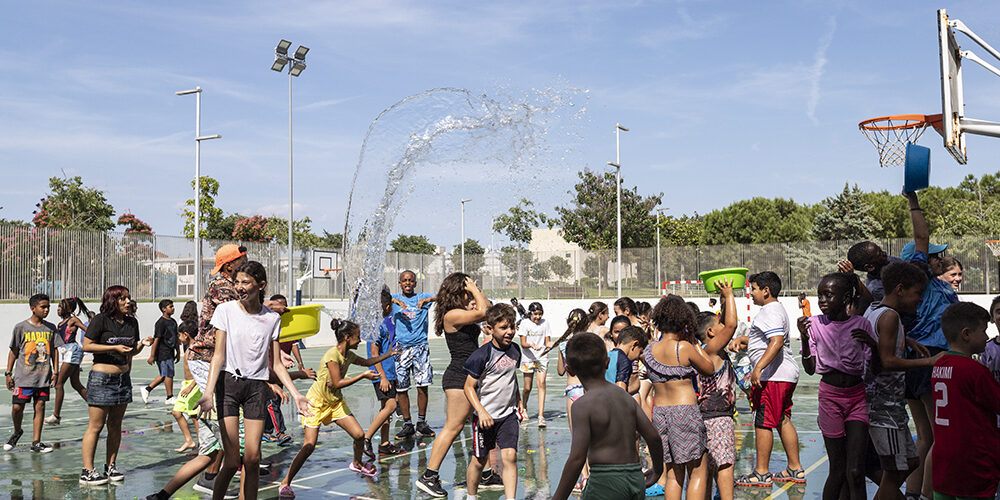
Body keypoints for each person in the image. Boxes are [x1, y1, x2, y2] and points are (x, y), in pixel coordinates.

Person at [195, 261, 310, 500]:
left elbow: (276, 364)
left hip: (256, 388)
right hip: (228, 385)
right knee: (232, 460)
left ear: (261, 285)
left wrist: (296, 394)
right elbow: (218, 355)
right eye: (236, 282)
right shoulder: (225, 311)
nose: (239, 287)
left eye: (245, 282)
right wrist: (207, 393)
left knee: (253, 457)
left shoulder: (272, 319)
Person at [277, 318, 397, 498]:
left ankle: (357, 463)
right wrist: (362, 376)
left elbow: (367, 362)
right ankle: (285, 483)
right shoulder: (332, 356)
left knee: (359, 435)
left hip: (335, 402)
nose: (360, 340)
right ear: (347, 337)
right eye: (357, 337)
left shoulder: (349, 355)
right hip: (316, 403)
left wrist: (388, 354)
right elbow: (337, 383)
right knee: (309, 446)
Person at [552, 332, 663, 500]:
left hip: (605, 481)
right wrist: (657, 470)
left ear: (570, 369)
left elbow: (577, 458)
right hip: (634, 476)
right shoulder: (626, 397)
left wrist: (558, 497)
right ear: (607, 362)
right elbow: (653, 437)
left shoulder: (582, 406)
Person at [798, 273, 879, 500]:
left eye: (828, 295)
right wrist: (803, 338)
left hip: (857, 397)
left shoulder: (861, 324)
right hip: (830, 398)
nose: (822, 300)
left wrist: (873, 345)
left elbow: (877, 368)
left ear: (844, 298)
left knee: (856, 471)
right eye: (820, 295)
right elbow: (810, 369)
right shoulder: (814, 325)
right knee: (838, 469)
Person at [863, 261, 939, 500]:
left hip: (890, 407)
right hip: (883, 408)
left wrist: (907, 341)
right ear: (900, 289)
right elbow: (887, 361)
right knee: (895, 470)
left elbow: (881, 343)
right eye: (917, 293)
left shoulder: (876, 309)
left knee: (911, 461)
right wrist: (929, 361)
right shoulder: (890, 317)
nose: (920, 299)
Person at [899, 191, 957, 500]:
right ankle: (928, 494)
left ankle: (913, 492)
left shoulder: (935, 285)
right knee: (940, 434)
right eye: (932, 256)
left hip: (915, 360)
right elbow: (921, 236)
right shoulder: (919, 278)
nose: (937, 259)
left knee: (924, 434)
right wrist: (914, 202)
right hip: (930, 358)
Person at [416, 274, 488, 497]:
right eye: (467, 287)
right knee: (453, 427)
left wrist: (475, 292)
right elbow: (485, 312)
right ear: (459, 291)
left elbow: (489, 311)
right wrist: (474, 290)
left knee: (480, 425)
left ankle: (485, 474)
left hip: (470, 376)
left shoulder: (461, 313)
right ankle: (429, 476)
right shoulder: (452, 314)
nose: (472, 290)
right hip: (459, 377)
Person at [734, 271, 804, 487]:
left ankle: (761, 473)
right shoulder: (775, 309)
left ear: (766, 291)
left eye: (754, 289)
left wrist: (758, 368)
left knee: (762, 421)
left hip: (774, 376)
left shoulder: (770, 311)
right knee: (782, 419)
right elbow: (767, 339)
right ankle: (795, 468)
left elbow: (776, 341)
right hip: (783, 375)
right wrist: (745, 339)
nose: (751, 293)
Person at [642, 295, 715, 500]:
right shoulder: (683, 347)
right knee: (697, 470)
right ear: (684, 321)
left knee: (673, 472)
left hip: (660, 414)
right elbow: (709, 369)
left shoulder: (649, 350)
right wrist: (693, 341)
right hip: (685, 413)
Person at [80, 285, 153, 484]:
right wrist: (113, 347)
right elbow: (87, 345)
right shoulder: (100, 320)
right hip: (101, 378)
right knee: (96, 426)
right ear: (113, 301)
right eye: (123, 298)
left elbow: (130, 351)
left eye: (128, 298)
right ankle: (87, 471)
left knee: (115, 425)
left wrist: (141, 344)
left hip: (123, 379)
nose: (128, 302)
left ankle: (110, 467)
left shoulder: (131, 322)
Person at [931, 302, 1000, 500]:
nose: (986, 337)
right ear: (966, 334)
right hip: (973, 464)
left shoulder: (939, 365)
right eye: (983, 331)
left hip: (944, 463)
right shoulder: (974, 371)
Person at [462, 303, 523, 500]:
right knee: (479, 461)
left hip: (508, 415)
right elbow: (468, 387)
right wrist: (481, 411)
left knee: (510, 456)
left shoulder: (515, 350)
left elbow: (511, 377)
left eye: (512, 326)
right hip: (485, 417)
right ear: (490, 328)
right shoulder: (481, 355)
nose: (509, 331)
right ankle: (471, 496)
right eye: (503, 327)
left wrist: (519, 400)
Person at [693, 279, 739, 500]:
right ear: (711, 332)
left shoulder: (698, 350)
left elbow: (726, 322)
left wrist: (724, 299)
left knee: (707, 468)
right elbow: (731, 325)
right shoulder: (711, 349)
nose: (724, 326)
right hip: (718, 419)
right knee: (725, 466)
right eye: (719, 324)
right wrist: (729, 294)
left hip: (702, 417)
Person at [5, 293, 61, 453]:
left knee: (40, 406)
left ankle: (36, 442)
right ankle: (17, 431)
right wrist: (8, 373)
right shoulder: (21, 327)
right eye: (43, 307)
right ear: (32, 308)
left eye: (48, 307)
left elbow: (55, 351)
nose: (46, 310)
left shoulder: (51, 328)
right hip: (23, 377)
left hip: (43, 377)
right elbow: (14, 351)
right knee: (17, 407)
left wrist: (56, 371)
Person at [392, 269, 437, 439]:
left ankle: (421, 422)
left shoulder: (422, 298)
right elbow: (380, 297)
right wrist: (395, 301)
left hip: (420, 348)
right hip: (401, 349)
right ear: (400, 283)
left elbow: (443, 296)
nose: (408, 283)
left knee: (422, 386)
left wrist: (429, 300)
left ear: (415, 283)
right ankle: (407, 424)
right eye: (404, 280)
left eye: (411, 280)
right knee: (402, 388)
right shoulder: (395, 299)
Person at [363, 286, 405, 459]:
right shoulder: (377, 326)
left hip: (389, 372)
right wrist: (383, 377)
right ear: (388, 307)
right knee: (391, 406)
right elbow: (374, 354)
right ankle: (366, 438)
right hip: (381, 373)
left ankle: (385, 444)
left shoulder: (387, 321)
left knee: (385, 410)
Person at [554, 308, 593, 491]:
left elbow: (560, 371)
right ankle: (594, 473)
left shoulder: (564, 344)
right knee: (593, 435)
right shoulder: (590, 343)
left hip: (572, 391)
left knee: (577, 437)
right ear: (586, 324)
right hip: (588, 389)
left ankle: (584, 476)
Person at [47, 297, 90, 425]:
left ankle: (56, 416)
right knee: (76, 384)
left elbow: (88, 330)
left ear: (69, 309)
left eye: (61, 307)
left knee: (59, 383)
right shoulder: (60, 323)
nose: (58, 309)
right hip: (66, 352)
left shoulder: (73, 320)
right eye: (58, 307)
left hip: (72, 351)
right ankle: (98, 407)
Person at [519, 301, 552, 427]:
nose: (538, 317)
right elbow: (523, 343)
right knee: (527, 387)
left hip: (541, 358)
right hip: (528, 358)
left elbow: (547, 342)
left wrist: (551, 345)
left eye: (540, 314)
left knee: (541, 384)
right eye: (535, 314)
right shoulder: (524, 323)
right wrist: (531, 345)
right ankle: (524, 407)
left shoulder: (545, 323)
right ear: (530, 313)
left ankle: (541, 416)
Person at [170, 320, 199, 453]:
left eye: (179, 335)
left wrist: (191, 386)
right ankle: (189, 440)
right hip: (187, 385)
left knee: (194, 416)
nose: (179, 338)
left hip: (194, 385)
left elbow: (201, 372)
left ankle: (201, 445)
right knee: (176, 412)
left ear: (186, 334)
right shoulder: (189, 348)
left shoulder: (196, 349)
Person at [142, 299, 179, 405]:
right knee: (168, 374)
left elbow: (176, 337)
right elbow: (156, 339)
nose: (173, 308)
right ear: (164, 309)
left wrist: (178, 351)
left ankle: (148, 389)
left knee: (165, 375)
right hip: (162, 352)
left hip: (170, 352)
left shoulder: (173, 322)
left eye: (173, 306)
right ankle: (169, 397)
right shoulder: (160, 323)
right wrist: (152, 355)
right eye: (170, 306)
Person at [605, 326, 647, 391]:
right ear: (635, 344)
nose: (638, 357)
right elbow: (620, 391)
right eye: (640, 352)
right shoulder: (624, 361)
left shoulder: (606, 355)